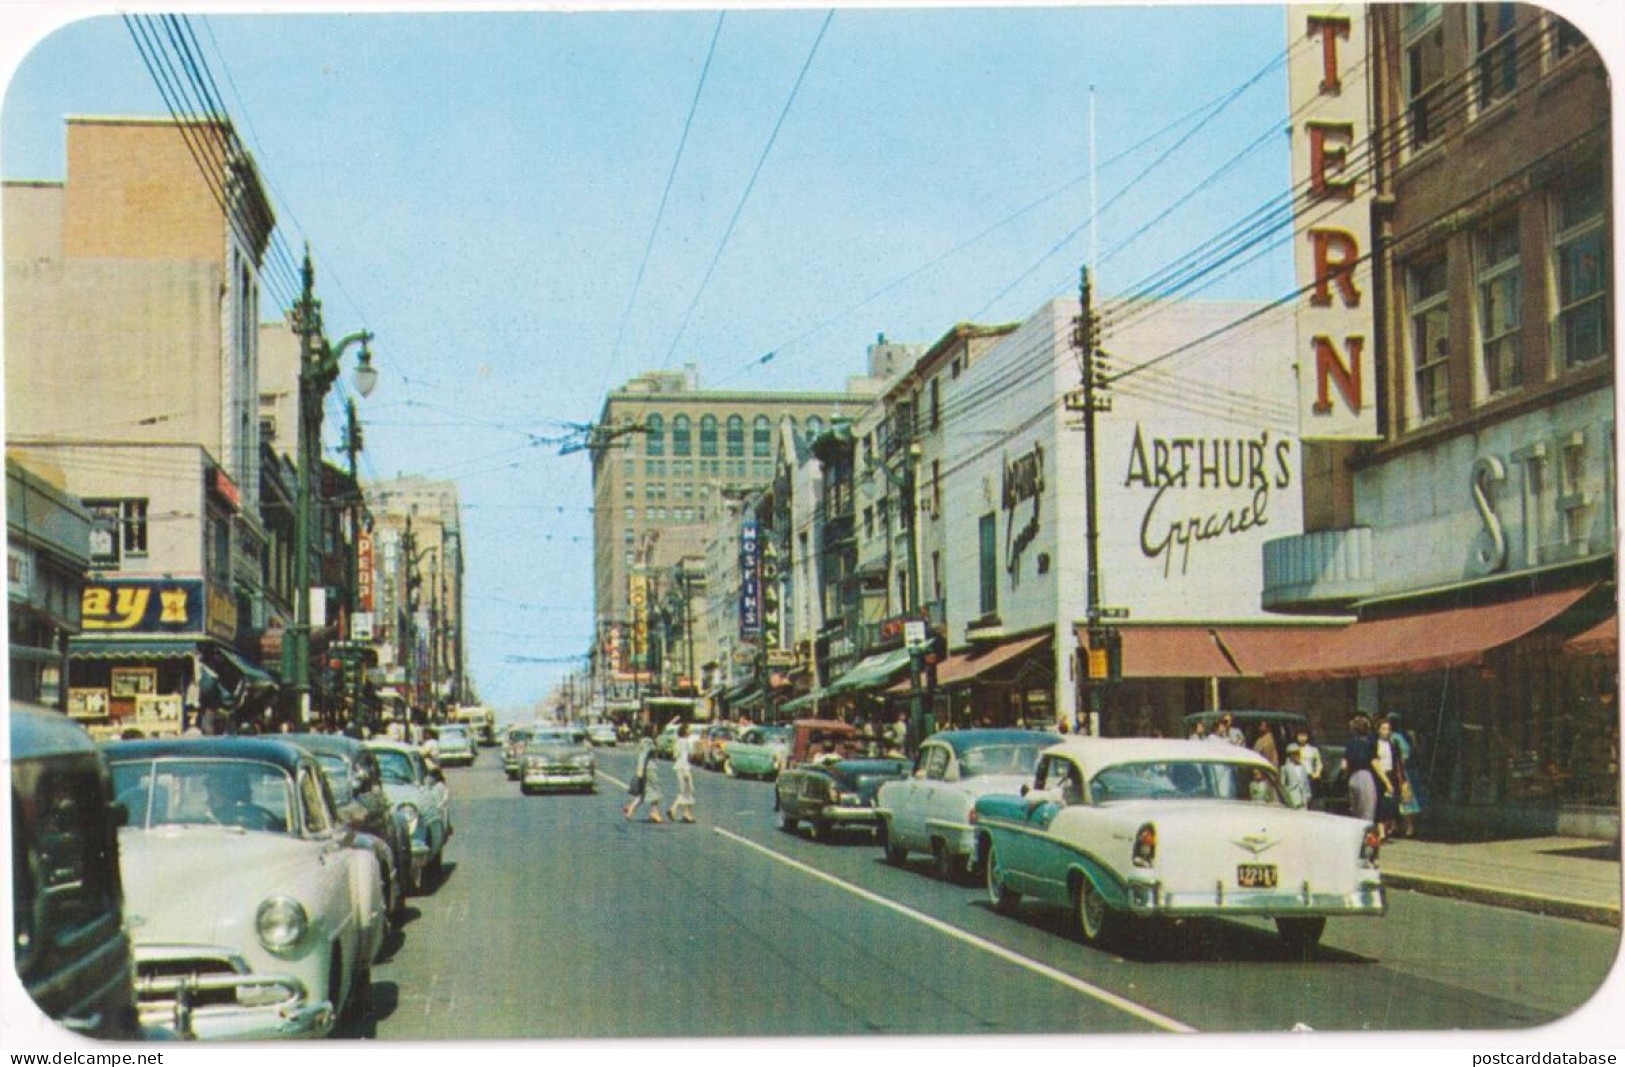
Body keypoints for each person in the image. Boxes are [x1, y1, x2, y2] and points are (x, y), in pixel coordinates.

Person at [1342, 715, 1388, 832]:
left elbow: (1344, 765)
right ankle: (1366, 839)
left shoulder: (1350, 743)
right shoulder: (1370, 744)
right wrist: (1387, 783)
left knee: (1356, 811)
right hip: (1365, 777)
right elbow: (1375, 763)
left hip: (1352, 778)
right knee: (1367, 811)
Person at [1386, 715, 1422, 836]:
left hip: (1399, 771)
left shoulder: (1393, 738)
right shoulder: (1407, 737)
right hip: (1408, 771)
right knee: (1405, 798)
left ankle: (1402, 827)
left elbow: (1402, 756)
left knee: (1400, 798)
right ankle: (1404, 826)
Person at [623, 725, 665, 823]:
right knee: (656, 789)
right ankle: (654, 812)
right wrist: (640, 770)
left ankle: (630, 810)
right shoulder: (648, 742)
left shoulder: (644, 741)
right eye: (654, 729)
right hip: (649, 769)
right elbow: (643, 756)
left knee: (643, 793)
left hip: (646, 769)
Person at [1375, 717, 1404, 838]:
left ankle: (1387, 827)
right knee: (1380, 802)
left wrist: (1402, 779)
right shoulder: (1375, 743)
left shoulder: (1392, 744)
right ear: (1378, 730)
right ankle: (1381, 831)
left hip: (1390, 773)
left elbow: (1398, 761)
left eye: (1388, 729)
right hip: (1378, 774)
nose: (1386, 731)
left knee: (1390, 803)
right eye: (1384, 729)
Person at [666, 722, 697, 824]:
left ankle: (682, 812)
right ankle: (681, 811)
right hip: (684, 767)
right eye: (689, 729)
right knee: (688, 790)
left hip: (678, 766)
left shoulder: (678, 741)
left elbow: (675, 754)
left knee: (684, 790)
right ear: (685, 731)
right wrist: (686, 772)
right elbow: (686, 756)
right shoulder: (686, 742)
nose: (691, 730)